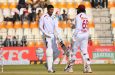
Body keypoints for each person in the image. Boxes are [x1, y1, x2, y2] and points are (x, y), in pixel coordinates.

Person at [64, 4, 92, 73]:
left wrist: (73, 36)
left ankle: (70, 68)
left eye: (77, 9)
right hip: (85, 34)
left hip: (78, 35)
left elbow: (78, 28)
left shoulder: (77, 16)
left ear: (79, 10)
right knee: (85, 52)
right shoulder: (86, 16)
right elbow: (82, 26)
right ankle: (88, 68)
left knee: (73, 52)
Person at [39, 5, 60, 73]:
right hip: (46, 35)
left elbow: (56, 27)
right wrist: (45, 33)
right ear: (47, 10)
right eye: (50, 9)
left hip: (53, 35)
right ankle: (50, 68)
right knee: (49, 51)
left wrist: (58, 36)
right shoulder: (44, 16)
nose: (52, 11)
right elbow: (40, 26)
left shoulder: (54, 17)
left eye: (52, 9)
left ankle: (48, 63)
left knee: (57, 52)